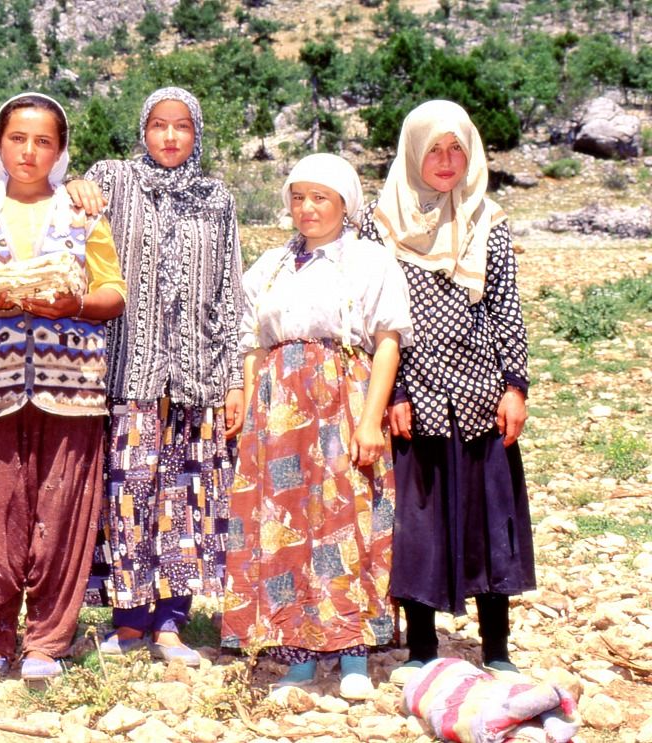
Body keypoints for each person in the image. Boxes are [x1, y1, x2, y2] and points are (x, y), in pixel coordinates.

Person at [0, 93, 127, 683]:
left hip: (70, 383)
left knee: (63, 507)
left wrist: (72, 303)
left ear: (60, 149)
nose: (29, 152)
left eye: (43, 141)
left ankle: (49, 640)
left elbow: (114, 295)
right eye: (17, 138)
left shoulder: (83, 215)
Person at [222, 153, 412, 700]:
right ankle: (296, 652)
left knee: (344, 518)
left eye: (320, 198)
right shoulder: (272, 264)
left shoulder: (370, 263)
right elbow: (252, 341)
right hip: (279, 405)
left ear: (345, 204)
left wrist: (371, 418)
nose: (307, 208)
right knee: (282, 520)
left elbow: (387, 343)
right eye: (298, 197)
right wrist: (256, 413)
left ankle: (352, 651)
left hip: (342, 397)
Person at [70, 87, 245, 667]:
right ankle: (129, 622)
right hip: (131, 373)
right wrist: (74, 188)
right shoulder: (116, 180)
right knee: (129, 495)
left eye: (182, 127)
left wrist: (233, 381)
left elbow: (229, 290)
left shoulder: (216, 199)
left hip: (198, 379)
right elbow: (70, 206)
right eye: (159, 126)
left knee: (186, 499)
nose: (170, 137)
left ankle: (172, 622)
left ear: (197, 134)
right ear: (142, 130)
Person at [359, 100, 535, 674]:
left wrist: (515, 385)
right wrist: (396, 392)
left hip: (481, 392)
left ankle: (497, 650)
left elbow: (506, 308)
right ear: (412, 151)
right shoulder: (381, 223)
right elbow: (378, 315)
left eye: (456, 147)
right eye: (432, 148)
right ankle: (423, 648)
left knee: (490, 519)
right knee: (420, 519)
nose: (445, 159)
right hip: (415, 388)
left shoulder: (490, 220)